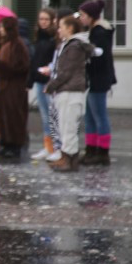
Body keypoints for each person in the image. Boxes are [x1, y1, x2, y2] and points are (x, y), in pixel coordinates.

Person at [45, 15, 93, 172]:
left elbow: (66, 72)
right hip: (67, 91)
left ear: (70, 28)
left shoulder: (74, 46)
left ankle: (69, 159)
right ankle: (67, 158)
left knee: (68, 127)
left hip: (71, 91)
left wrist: (51, 86)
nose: (58, 30)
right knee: (65, 127)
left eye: (61, 27)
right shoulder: (69, 45)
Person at [78, 0, 116, 166]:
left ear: (91, 16)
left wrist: (87, 57)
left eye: (83, 15)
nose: (81, 18)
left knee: (99, 116)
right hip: (94, 79)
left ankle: (102, 152)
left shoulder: (100, 33)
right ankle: (91, 149)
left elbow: (100, 57)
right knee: (90, 117)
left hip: (99, 80)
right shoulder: (95, 30)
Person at [0, 17, 30, 159]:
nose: (0, 30)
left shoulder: (17, 44)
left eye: (2, 27)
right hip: (4, 87)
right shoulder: (6, 44)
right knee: (5, 115)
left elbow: (20, 67)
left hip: (14, 88)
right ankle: (6, 143)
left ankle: (15, 145)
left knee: (14, 116)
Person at [29, 8, 58, 160]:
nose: (43, 22)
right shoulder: (39, 38)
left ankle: (55, 147)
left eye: (46, 19)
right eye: (41, 19)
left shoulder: (54, 39)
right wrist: (31, 80)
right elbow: (34, 61)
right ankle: (48, 146)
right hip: (40, 81)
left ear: (52, 20)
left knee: (51, 116)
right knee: (44, 116)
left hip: (50, 81)